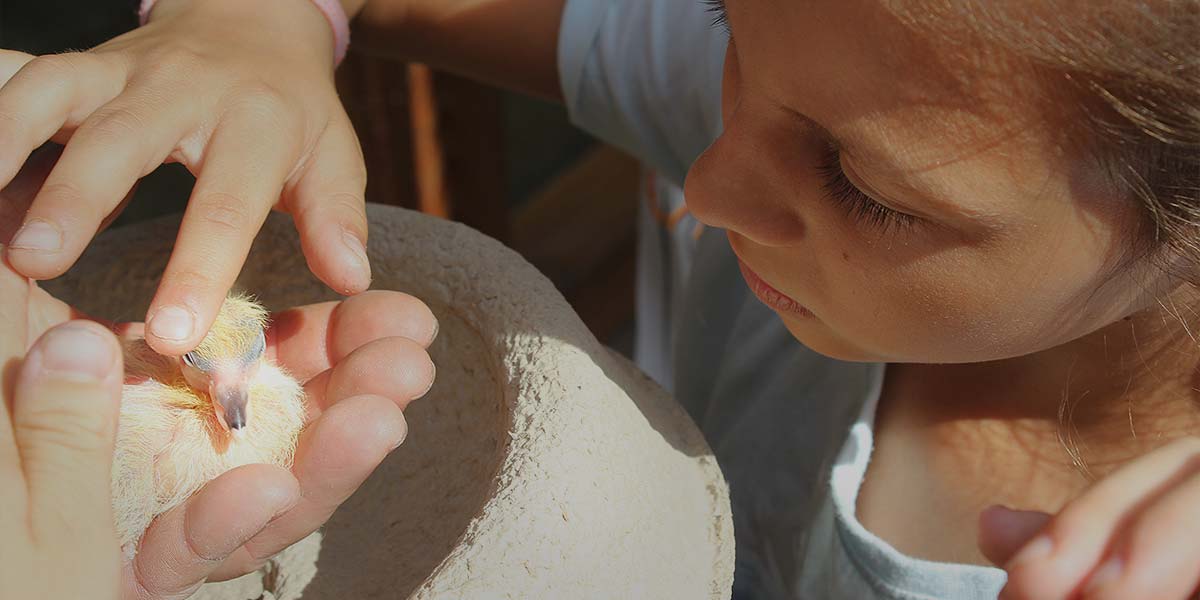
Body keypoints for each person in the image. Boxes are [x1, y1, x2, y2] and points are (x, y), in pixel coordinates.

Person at [2, 0, 1199, 597]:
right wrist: (253, 27)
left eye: (863, 192)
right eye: (732, 29)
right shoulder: (825, 79)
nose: (714, 182)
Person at [0, 146, 437, 597]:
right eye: (197, 360)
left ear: (262, 350)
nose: (232, 402)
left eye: (243, 361)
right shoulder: (130, 388)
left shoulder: (268, 398)